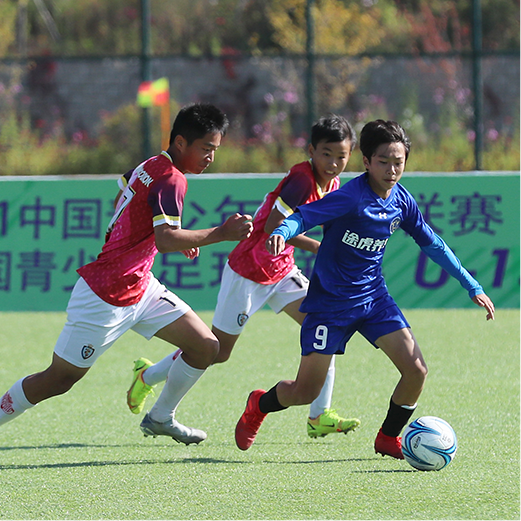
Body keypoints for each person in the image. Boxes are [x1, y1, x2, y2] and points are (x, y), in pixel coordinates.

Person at [235, 119, 495, 457]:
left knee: (416, 371)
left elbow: (433, 244)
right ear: (367, 162)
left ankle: (387, 437)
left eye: (398, 162)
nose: (391, 170)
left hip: (374, 300)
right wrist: (283, 231)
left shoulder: (401, 201)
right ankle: (259, 404)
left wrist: (471, 285)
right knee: (305, 392)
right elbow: (304, 216)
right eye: (383, 161)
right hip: (330, 306)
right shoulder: (349, 197)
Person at [0, 103, 253, 446]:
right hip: (105, 294)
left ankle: (161, 417)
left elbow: (124, 193)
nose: (211, 157)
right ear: (181, 142)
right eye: (206, 148)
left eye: (215, 150)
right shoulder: (172, 178)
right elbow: (165, 240)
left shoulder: (150, 164)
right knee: (59, 379)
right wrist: (220, 233)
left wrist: (166, 238)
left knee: (205, 346)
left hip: (141, 287)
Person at [127, 114, 361, 439]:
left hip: (282, 271)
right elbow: (273, 225)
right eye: (326, 154)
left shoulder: (332, 183)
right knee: (217, 351)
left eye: (341, 156)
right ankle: (148, 376)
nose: (333, 163)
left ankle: (319, 414)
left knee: (327, 327)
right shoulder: (302, 180)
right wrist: (320, 248)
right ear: (311, 151)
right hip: (248, 271)